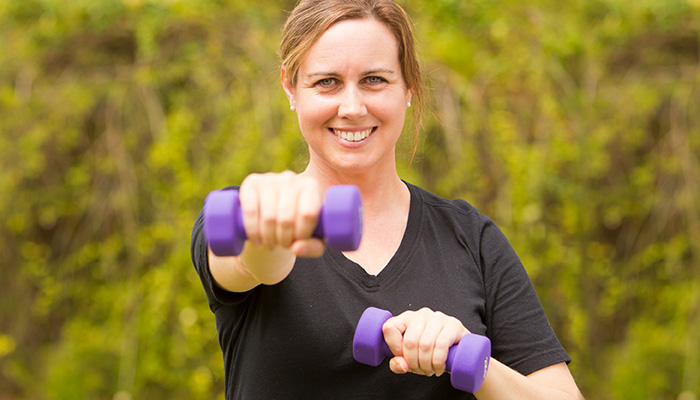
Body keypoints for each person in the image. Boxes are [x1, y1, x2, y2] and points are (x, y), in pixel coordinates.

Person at [191, 0, 584, 398]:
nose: (352, 107)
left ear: (409, 87)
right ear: (290, 89)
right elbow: (254, 265)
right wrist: (270, 235)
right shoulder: (246, 213)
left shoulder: (472, 240)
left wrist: (469, 358)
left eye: (374, 80)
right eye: (326, 82)